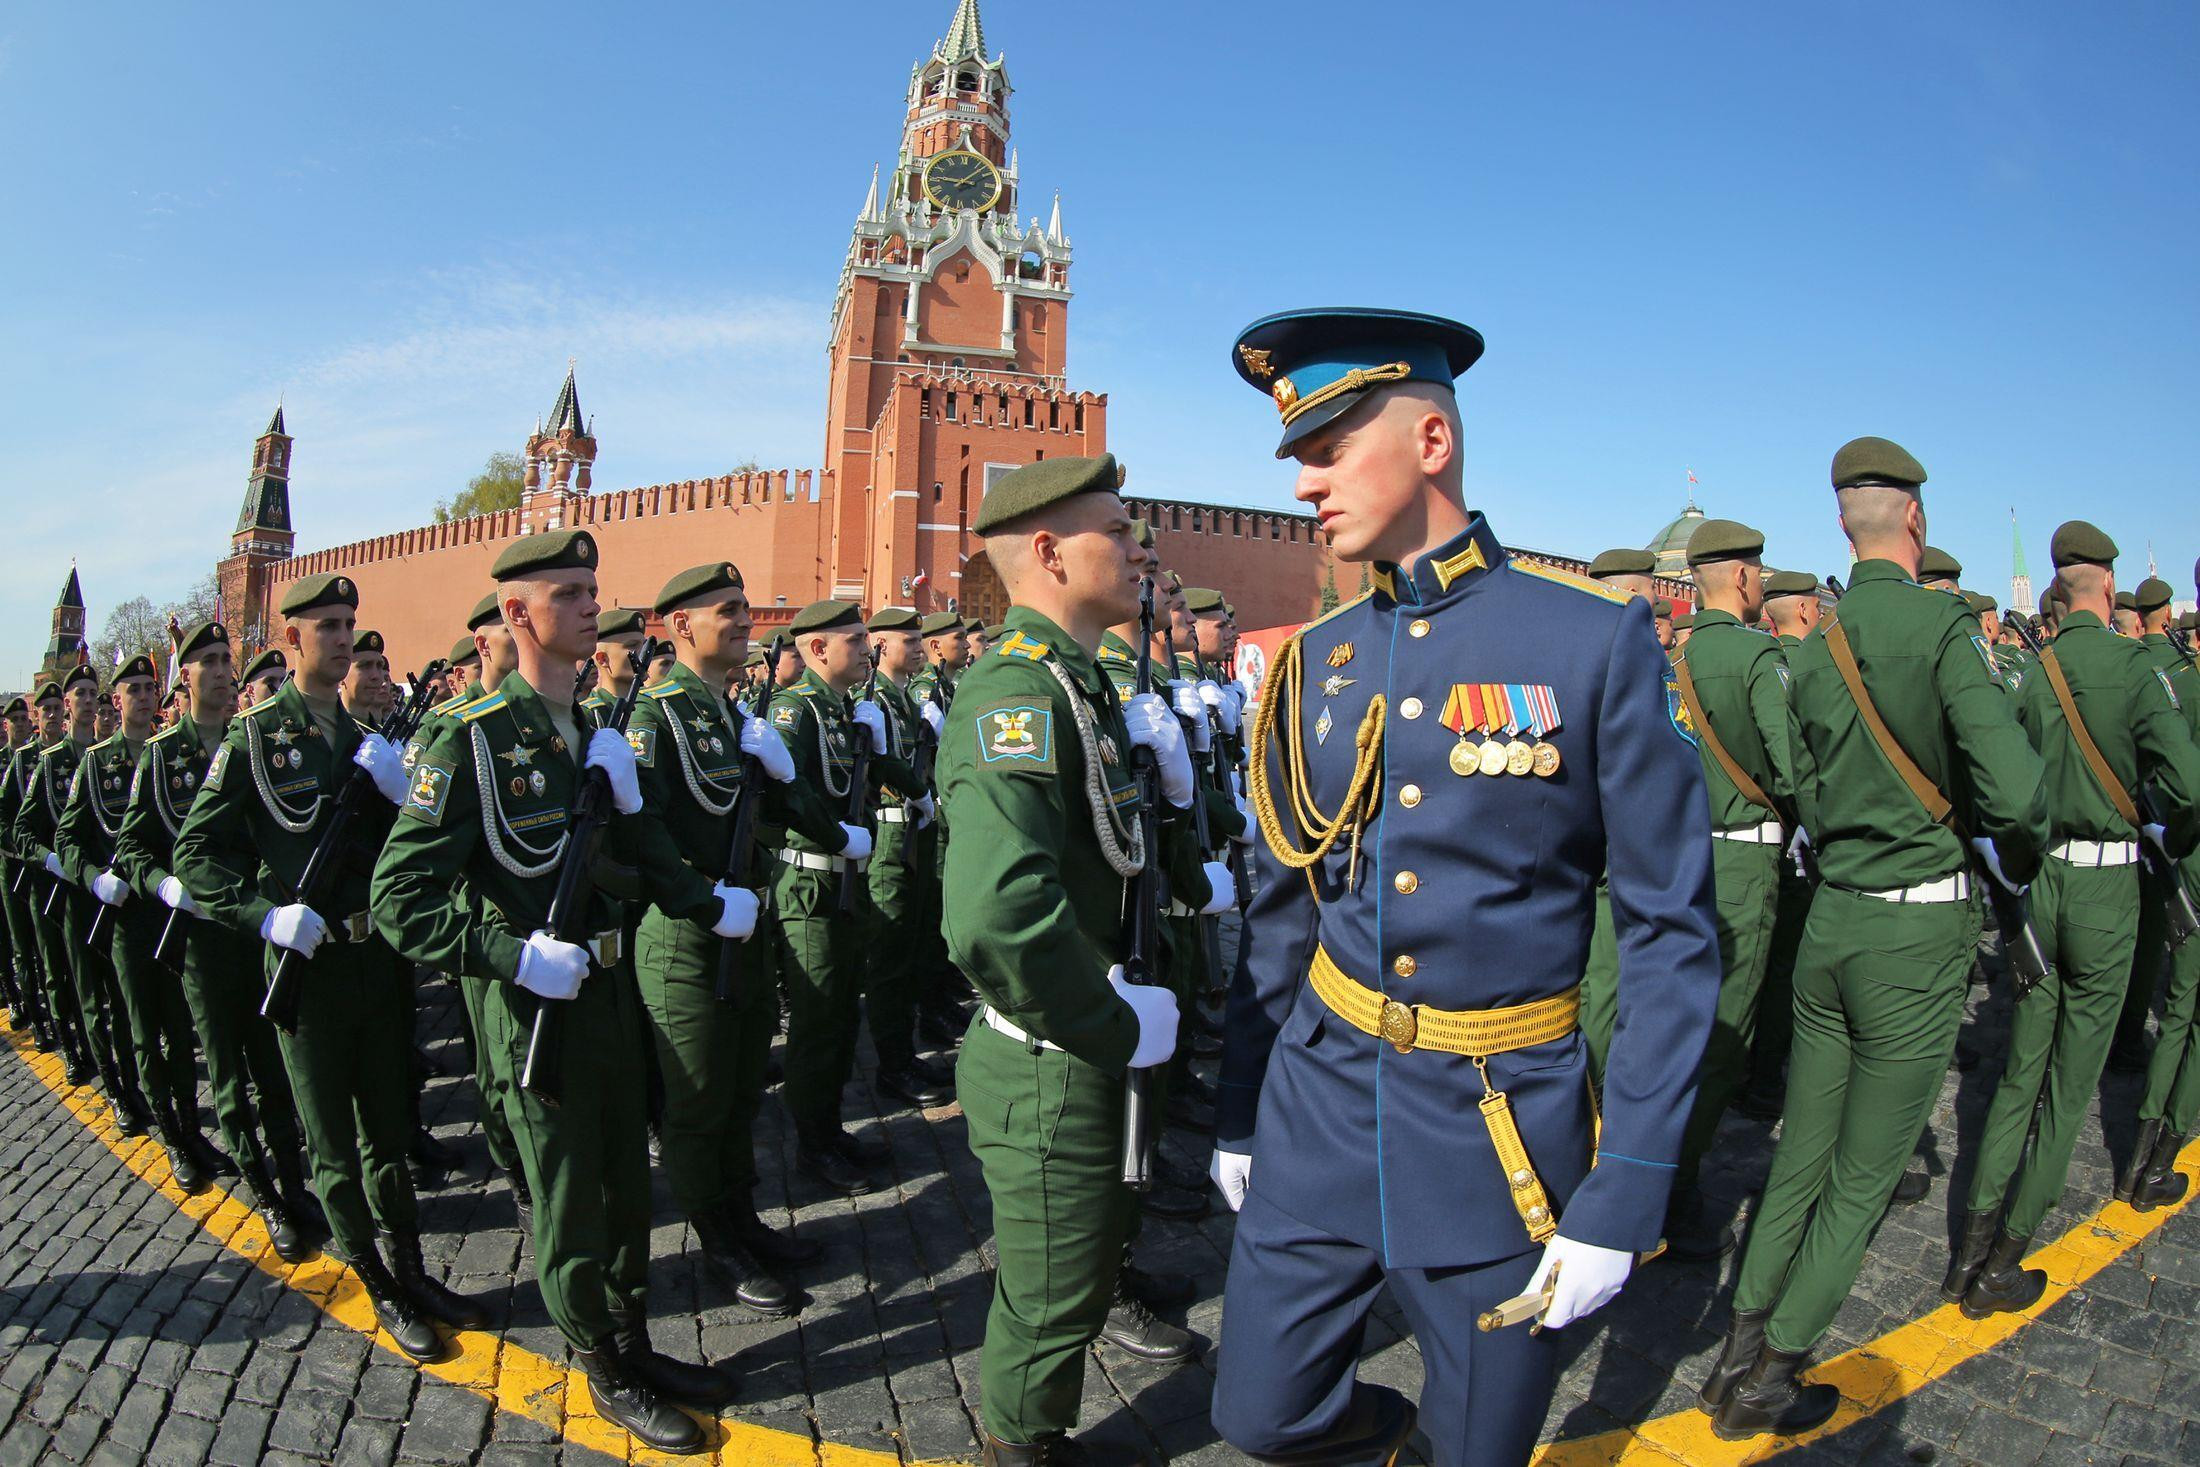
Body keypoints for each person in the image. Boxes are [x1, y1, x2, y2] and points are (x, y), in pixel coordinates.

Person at [1212, 308, 1721, 1467]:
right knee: (1258, 1416)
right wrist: (1243, 1108)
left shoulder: (1588, 643)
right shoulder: (1316, 661)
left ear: (1430, 441)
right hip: (1321, 1108)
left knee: (1477, 1451)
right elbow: (1283, 911)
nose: (1304, 484)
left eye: (1328, 447)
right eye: (1297, 456)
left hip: (1501, 1136)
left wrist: (1626, 1185)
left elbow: (1669, 934)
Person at [1703, 438, 2049, 1440]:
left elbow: (1803, 785)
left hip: (1832, 924)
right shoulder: (1942, 634)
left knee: (1802, 1151)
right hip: (1914, 928)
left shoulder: (1812, 650)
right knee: (1863, 1171)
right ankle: (1771, 1374)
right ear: (1917, 522)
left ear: (1843, 529)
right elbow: (2018, 796)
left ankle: (1736, 1345)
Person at [374, 531, 732, 1452]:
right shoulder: (472, 739)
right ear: (517, 614)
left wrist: (705, 899)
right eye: (568, 591)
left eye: (592, 589)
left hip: (612, 994)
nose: (588, 605)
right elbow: (397, 898)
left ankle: (634, 1337)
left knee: (624, 1180)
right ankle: (601, 1363)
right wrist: (510, 956)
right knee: (570, 1193)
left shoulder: (596, 731)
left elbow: (637, 856)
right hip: (538, 1006)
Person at [936, 453, 1205, 1465]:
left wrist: (1175, 793)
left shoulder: (1081, 685)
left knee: (1086, 1258)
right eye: (1117, 530)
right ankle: (1023, 1443)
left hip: (1091, 1036)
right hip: (1055, 1054)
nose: (1139, 547)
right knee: (1049, 1302)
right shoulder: (1017, 695)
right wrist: (1114, 1024)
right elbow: (995, 920)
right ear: (1047, 552)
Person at [176, 572, 483, 1366]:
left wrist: (400, 790)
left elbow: (404, 853)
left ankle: (411, 1266)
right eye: (328, 625)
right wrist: (264, 914)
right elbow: (196, 854)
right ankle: (376, 1279)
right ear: (292, 638)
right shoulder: (254, 737)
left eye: (350, 623)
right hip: (308, 972)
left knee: (389, 1123)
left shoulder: (362, 739)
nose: (344, 637)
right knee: (335, 1144)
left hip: (376, 960)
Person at [1949, 524, 2200, 1316]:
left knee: (2021, 1069)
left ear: (2058, 586)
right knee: (2069, 1084)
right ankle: (2005, 1256)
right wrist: (2168, 841)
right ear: (2109, 583)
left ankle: (1966, 1251)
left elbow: (2003, 787)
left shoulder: (2035, 672)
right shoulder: (2134, 668)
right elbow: (2189, 788)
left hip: (2043, 880)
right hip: (2105, 885)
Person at [624, 561, 847, 1316]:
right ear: (680, 626)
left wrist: (785, 780)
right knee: (697, 1098)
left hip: (744, 926)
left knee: (744, 1082)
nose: (746, 618)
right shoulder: (656, 715)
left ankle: (744, 1216)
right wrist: (701, 900)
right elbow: (640, 833)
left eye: (745, 604)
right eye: (728, 608)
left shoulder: (730, 711)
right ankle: (715, 1236)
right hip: (688, 937)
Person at [115, 620, 317, 1259]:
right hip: (203, 938)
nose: (223, 671)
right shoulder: (161, 755)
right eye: (207, 661)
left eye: (227, 660)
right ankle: (265, 1195)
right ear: (184, 678)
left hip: (257, 928)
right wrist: (161, 885)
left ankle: (292, 1180)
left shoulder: (249, 741)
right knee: (230, 1072)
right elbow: (132, 845)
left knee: (273, 1064)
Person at [1651, 520, 1814, 1259]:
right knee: (1726, 1032)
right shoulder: (1757, 657)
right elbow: (1792, 770)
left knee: (1676, 1019)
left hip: (1676, 856)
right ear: (1747, 578)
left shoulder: (1671, 660)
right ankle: (1674, 1185)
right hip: (1745, 863)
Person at [766, 599, 910, 1193]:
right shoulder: (794, 712)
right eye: (854, 639)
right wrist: (834, 834)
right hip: (809, 882)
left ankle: (830, 1131)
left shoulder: (846, 709)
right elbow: (788, 792)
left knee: (841, 1013)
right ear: (818, 649)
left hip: (845, 876)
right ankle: (811, 1145)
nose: (868, 648)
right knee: (817, 1018)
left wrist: (917, 784)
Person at [64, 652, 216, 1188]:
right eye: (135, 689)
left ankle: (192, 1128)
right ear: (117, 700)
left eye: (153, 688)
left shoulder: (175, 754)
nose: (147, 697)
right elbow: (67, 837)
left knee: (180, 1027)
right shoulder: (97, 762)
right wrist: (93, 877)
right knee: (143, 1029)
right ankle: (171, 1138)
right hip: (127, 915)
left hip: (174, 909)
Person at [21, 663, 148, 1131]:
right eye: (80, 694)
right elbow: (19, 827)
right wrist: (50, 859)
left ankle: (135, 1081)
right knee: (87, 991)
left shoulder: (113, 756)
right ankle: (114, 1089)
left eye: (94, 692)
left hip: (117, 895)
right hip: (73, 893)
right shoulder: (51, 762)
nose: (87, 700)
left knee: (124, 998)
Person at [2117, 569, 2200, 1206]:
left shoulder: (2167, 675)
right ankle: (2156, 1156)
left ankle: (2145, 1153)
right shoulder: (2178, 676)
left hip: (2175, 847)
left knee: (2181, 1006)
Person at [861, 606, 953, 1107]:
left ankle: (906, 1050)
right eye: (907, 639)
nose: (918, 646)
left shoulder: (899, 698)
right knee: (891, 957)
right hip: (890, 842)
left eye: (920, 639)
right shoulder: (873, 698)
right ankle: (892, 1064)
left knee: (915, 944)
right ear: (879, 644)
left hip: (914, 835)